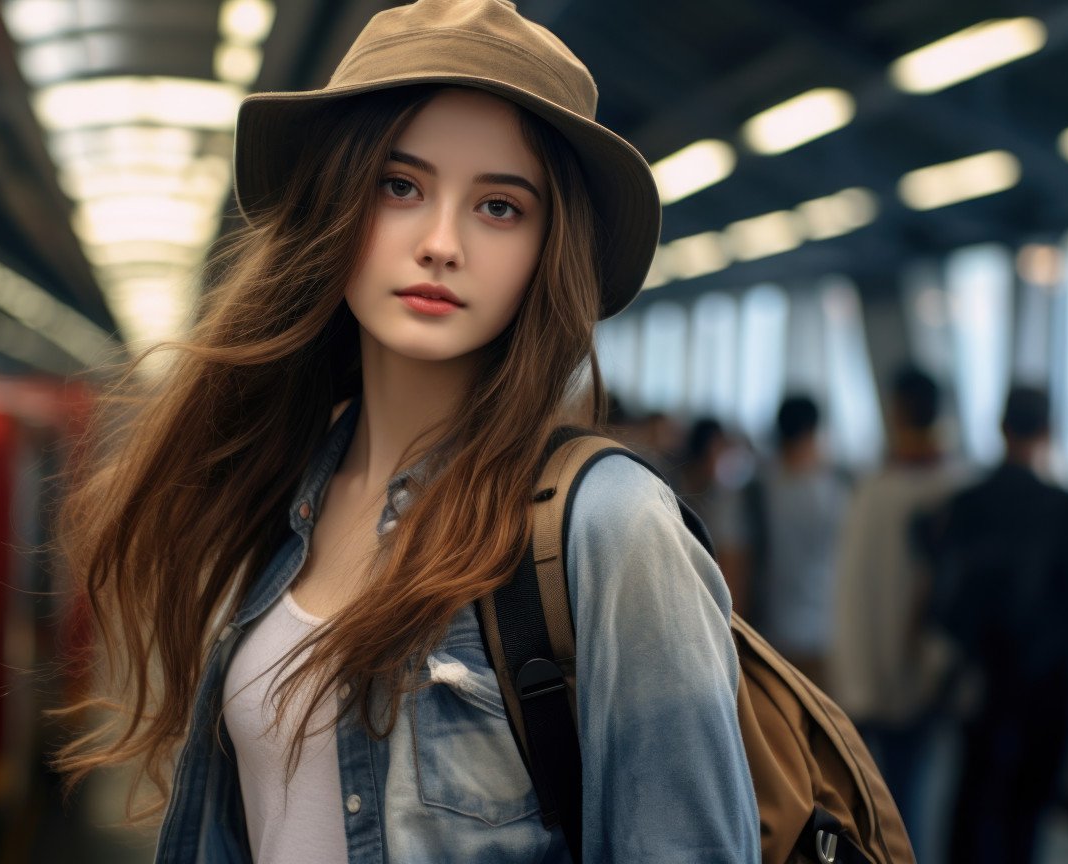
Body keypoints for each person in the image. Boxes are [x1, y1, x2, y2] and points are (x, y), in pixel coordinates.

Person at [55, 2, 760, 862]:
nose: (440, 243)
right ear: (336, 204)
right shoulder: (282, 493)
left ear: (549, 250)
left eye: (500, 207)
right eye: (400, 186)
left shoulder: (610, 529)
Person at [920, 386, 1068, 864]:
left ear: (1001, 428)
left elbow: (940, 594)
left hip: (983, 680)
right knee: (1027, 813)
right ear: (1048, 431)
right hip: (1052, 683)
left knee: (972, 802)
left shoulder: (966, 505)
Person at [828, 365, 966, 857]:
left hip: (864, 674)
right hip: (922, 676)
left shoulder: (873, 490)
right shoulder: (957, 487)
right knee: (909, 804)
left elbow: (850, 591)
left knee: (860, 804)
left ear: (896, 411)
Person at [714, 396, 847, 683]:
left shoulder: (750, 493)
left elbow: (733, 573)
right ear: (815, 432)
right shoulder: (841, 491)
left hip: (766, 646)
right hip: (830, 642)